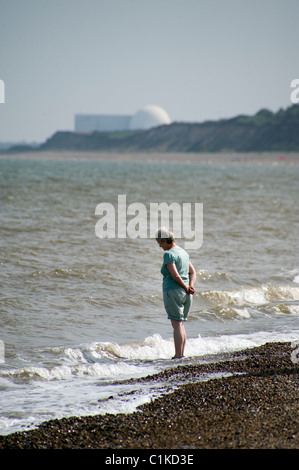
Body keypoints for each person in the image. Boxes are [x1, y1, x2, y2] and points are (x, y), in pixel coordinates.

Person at [156, 227, 196, 359]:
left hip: (174, 291)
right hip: (186, 293)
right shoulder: (183, 252)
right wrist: (190, 286)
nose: (160, 246)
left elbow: (175, 275)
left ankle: (178, 355)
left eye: (160, 243)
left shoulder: (169, 254)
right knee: (180, 323)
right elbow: (193, 272)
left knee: (176, 324)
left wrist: (185, 287)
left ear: (165, 240)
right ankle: (181, 354)